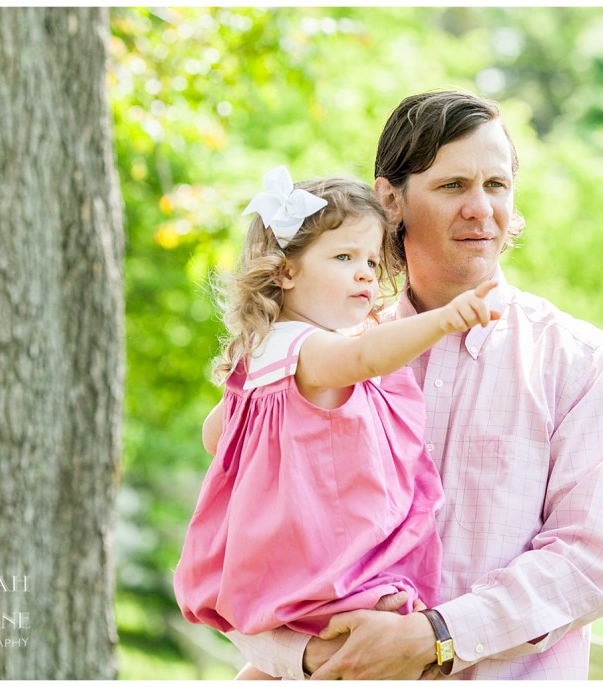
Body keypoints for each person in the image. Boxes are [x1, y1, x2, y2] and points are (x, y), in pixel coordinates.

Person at [225, 90, 603, 680]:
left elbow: (591, 562)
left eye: (496, 186)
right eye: (453, 186)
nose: (481, 209)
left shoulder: (581, 362)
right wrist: (308, 655)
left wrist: (437, 637)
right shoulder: (321, 362)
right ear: (390, 199)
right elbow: (248, 544)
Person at [173, 167, 502, 678]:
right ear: (285, 272)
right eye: (344, 257)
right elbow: (368, 359)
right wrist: (445, 319)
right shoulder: (308, 348)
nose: (367, 273)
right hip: (332, 566)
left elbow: (214, 436)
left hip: (287, 569)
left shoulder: (261, 356)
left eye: (372, 260)